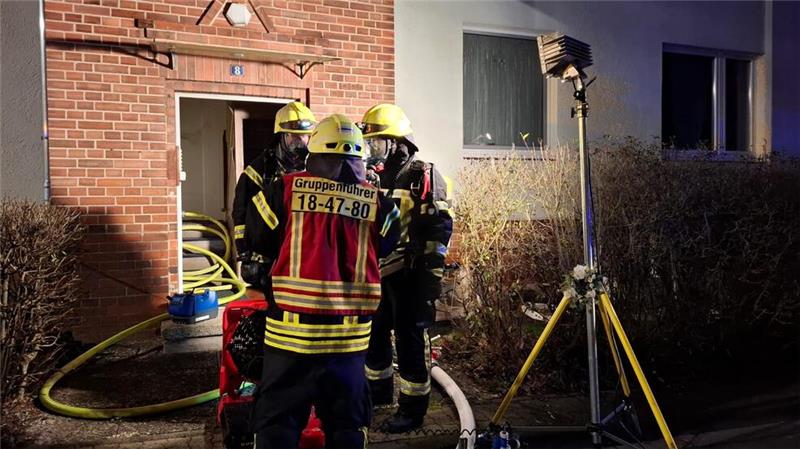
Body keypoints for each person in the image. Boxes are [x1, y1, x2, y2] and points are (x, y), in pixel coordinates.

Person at [246, 114, 401, 448]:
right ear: (359, 156)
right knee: (346, 424)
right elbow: (388, 243)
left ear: (312, 152)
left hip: (290, 339)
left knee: (277, 424)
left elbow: (257, 235)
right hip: (348, 342)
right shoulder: (380, 203)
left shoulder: (284, 190)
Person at [360, 104, 453, 433]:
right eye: (369, 143)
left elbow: (439, 234)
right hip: (378, 277)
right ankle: (377, 395)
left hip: (411, 279)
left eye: (378, 142)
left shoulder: (423, 175)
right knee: (374, 338)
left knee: (411, 342)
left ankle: (412, 411)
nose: (371, 150)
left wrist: (429, 289)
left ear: (397, 141)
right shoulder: (373, 176)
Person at [232, 101, 316, 290]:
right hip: (269, 251)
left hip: (304, 250)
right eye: (293, 137)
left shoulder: (314, 168)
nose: (301, 142)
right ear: (281, 136)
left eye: (305, 136)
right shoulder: (259, 170)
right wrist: (246, 254)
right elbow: (241, 214)